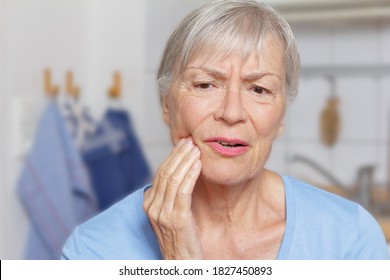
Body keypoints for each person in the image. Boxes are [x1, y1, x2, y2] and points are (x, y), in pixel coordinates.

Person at [62, 0, 389, 260]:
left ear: (281, 116)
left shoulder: (350, 239)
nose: (232, 113)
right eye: (205, 84)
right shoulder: (92, 252)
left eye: (259, 89)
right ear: (167, 105)